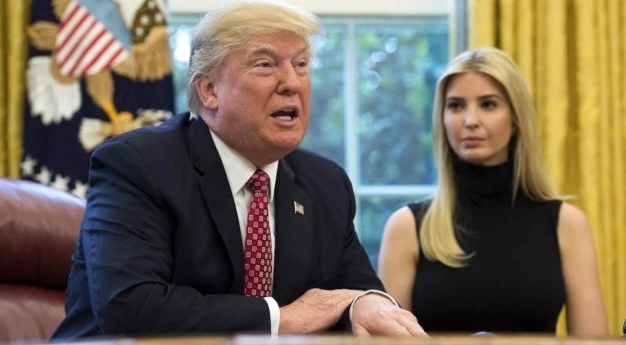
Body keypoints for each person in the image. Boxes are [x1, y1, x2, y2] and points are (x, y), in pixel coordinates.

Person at [51, 0, 427, 340]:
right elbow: (131, 307)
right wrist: (283, 318)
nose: (292, 83)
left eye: (301, 65)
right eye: (265, 64)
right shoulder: (138, 165)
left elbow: (353, 289)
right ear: (209, 90)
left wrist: (369, 303)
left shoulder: (325, 184)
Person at [378, 47, 608, 336]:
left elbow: (593, 343)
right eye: (456, 106)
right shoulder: (407, 227)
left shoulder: (566, 224)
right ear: (442, 118)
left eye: (487, 104)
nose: (470, 120)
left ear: (515, 119)